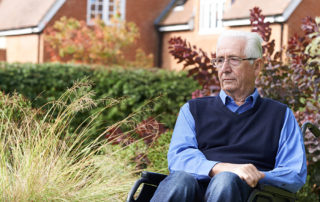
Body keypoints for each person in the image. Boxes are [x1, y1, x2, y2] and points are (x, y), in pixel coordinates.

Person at [150, 30, 307, 202]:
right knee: (180, 180)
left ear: (257, 66)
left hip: (249, 195)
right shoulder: (193, 110)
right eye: (219, 60)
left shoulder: (280, 115)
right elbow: (179, 158)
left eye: (234, 59)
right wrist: (222, 168)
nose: (224, 69)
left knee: (225, 181)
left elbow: (294, 173)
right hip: (191, 192)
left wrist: (254, 175)